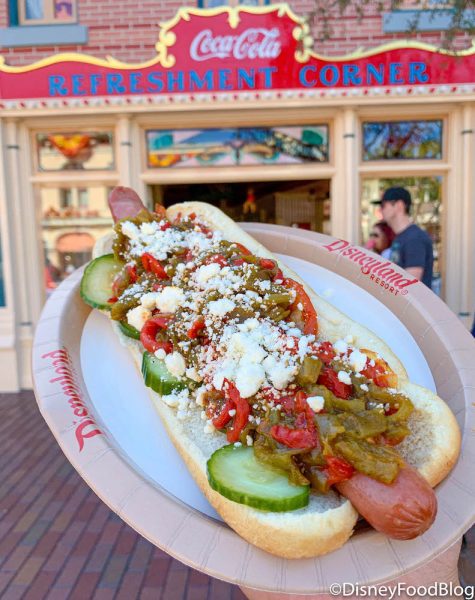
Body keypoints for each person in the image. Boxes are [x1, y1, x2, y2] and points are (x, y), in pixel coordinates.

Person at [372, 187, 433, 288]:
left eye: (383, 205)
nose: (380, 210)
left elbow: (410, 284)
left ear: (399, 205)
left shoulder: (414, 238)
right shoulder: (402, 237)